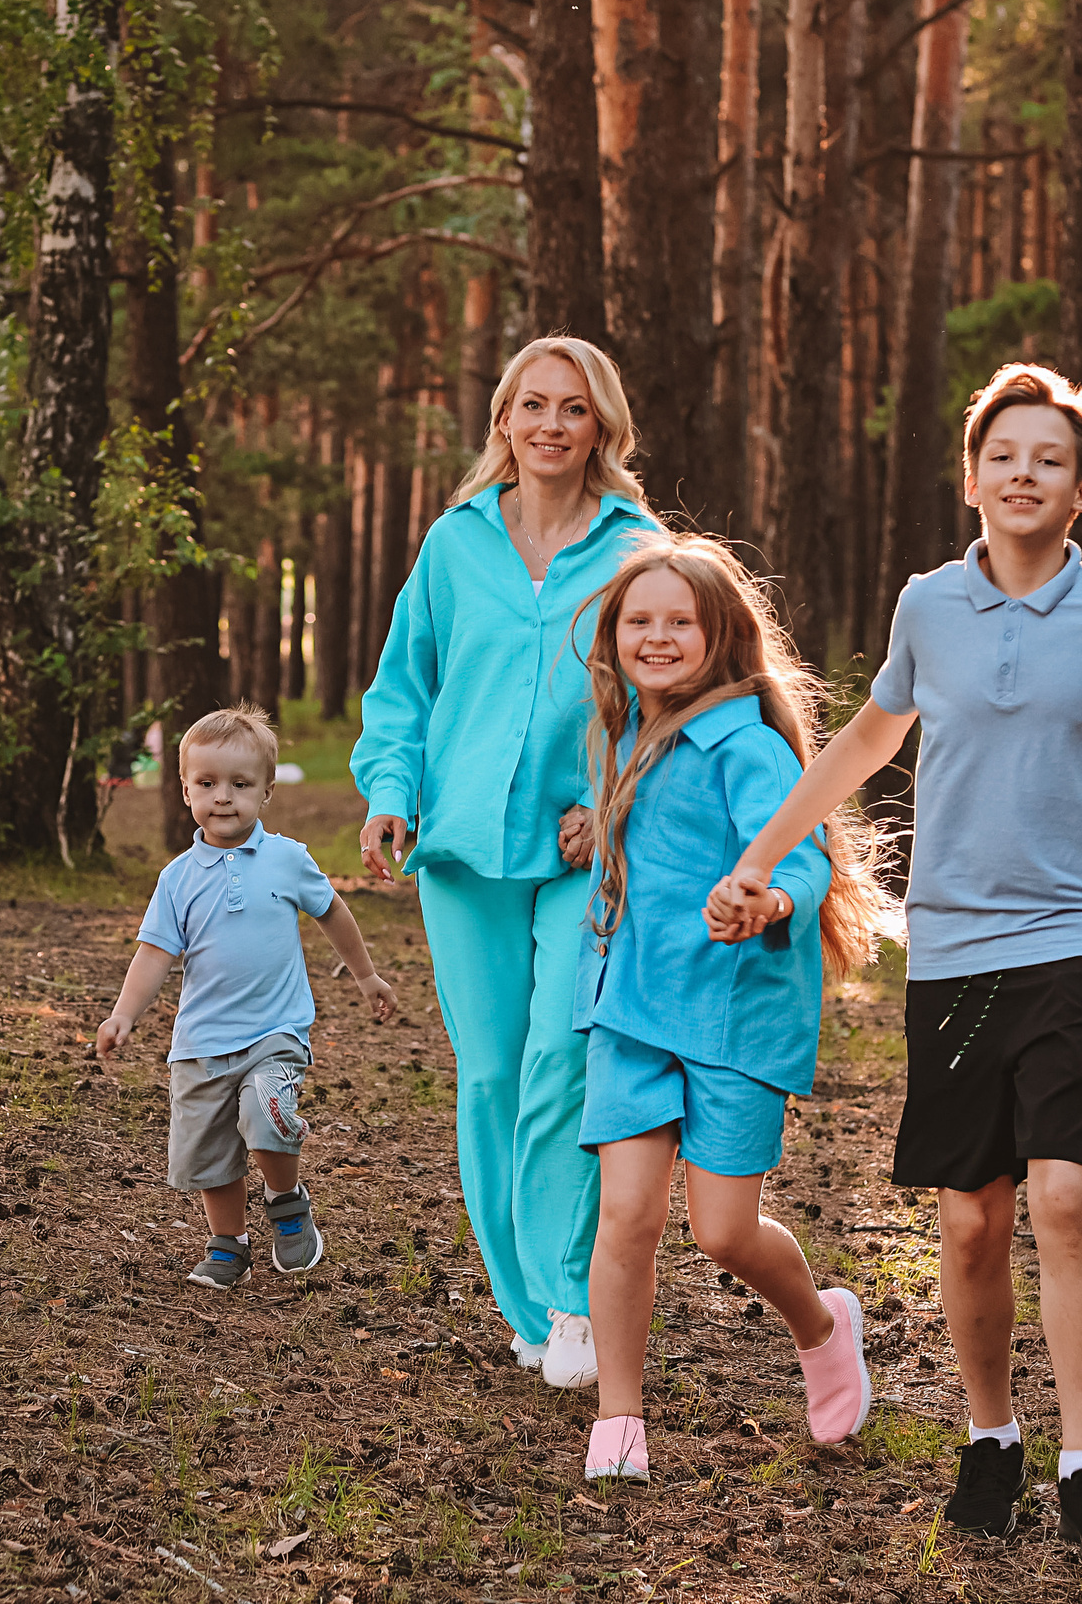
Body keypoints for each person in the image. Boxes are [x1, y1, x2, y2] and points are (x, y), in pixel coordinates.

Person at [711, 363, 1082, 1565]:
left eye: (1048, 460)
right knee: (970, 1222)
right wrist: (758, 856)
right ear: (972, 478)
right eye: (1003, 457)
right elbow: (867, 740)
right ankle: (991, 1438)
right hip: (955, 950)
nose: (1023, 475)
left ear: (1080, 491)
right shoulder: (926, 608)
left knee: (1065, 1197)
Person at [351, 337, 660, 1387]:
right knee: (488, 1077)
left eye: (573, 409)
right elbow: (405, 686)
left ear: (600, 428)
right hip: (463, 848)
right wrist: (390, 793)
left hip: (582, 847)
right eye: (532, 406)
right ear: (503, 422)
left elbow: (668, 690)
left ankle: (574, 1297)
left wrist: (614, 799)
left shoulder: (637, 545)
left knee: (560, 1064)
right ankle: (524, 1304)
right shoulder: (454, 545)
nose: (550, 426)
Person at [571, 534, 897, 1482]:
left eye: (682, 621)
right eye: (642, 621)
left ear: (722, 637)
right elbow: (653, 828)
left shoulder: (746, 743)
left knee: (721, 1230)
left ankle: (823, 1323)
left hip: (735, 1016)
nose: (659, 636)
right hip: (633, 1008)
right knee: (625, 1214)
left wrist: (772, 897)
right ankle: (619, 1420)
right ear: (616, 634)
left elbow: (800, 849)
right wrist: (595, 826)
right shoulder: (623, 730)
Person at [98, 706, 398, 1288]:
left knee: (267, 1108)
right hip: (201, 1042)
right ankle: (228, 1242)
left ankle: (285, 1200)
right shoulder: (177, 878)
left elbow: (332, 911)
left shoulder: (287, 858)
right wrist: (123, 1015)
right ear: (185, 790)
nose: (224, 798)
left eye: (240, 785)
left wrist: (363, 975)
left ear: (265, 793)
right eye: (207, 784)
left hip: (274, 1032)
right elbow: (155, 953)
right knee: (209, 1151)